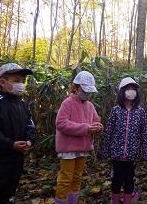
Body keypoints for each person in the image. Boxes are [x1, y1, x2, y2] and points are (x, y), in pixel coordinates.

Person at [101, 77, 147, 204]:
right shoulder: (116, 111)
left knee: (129, 180)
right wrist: (105, 151)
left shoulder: (140, 112)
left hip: (132, 154)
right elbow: (109, 131)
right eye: (128, 89)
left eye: (133, 89)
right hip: (117, 154)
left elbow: (144, 133)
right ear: (122, 92)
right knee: (116, 180)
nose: (131, 92)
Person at [55, 71, 103, 204]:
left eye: (89, 91)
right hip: (68, 148)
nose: (87, 93)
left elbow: (96, 121)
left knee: (77, 177)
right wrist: (85, 128)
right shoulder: (67, 103)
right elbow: (61, 123)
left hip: (83, 147)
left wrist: (98, 127)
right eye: (84, 90)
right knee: (66, 178)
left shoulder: (90, 106)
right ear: (75, 87)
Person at [0, 63, 35, 204]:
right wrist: (11, 144)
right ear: (2, 82)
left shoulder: (23, 105)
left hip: (17, 159)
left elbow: (30, 126)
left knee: (9, 190)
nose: (21, 85)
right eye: (16, 81)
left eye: (23, 82)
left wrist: (29, 140)